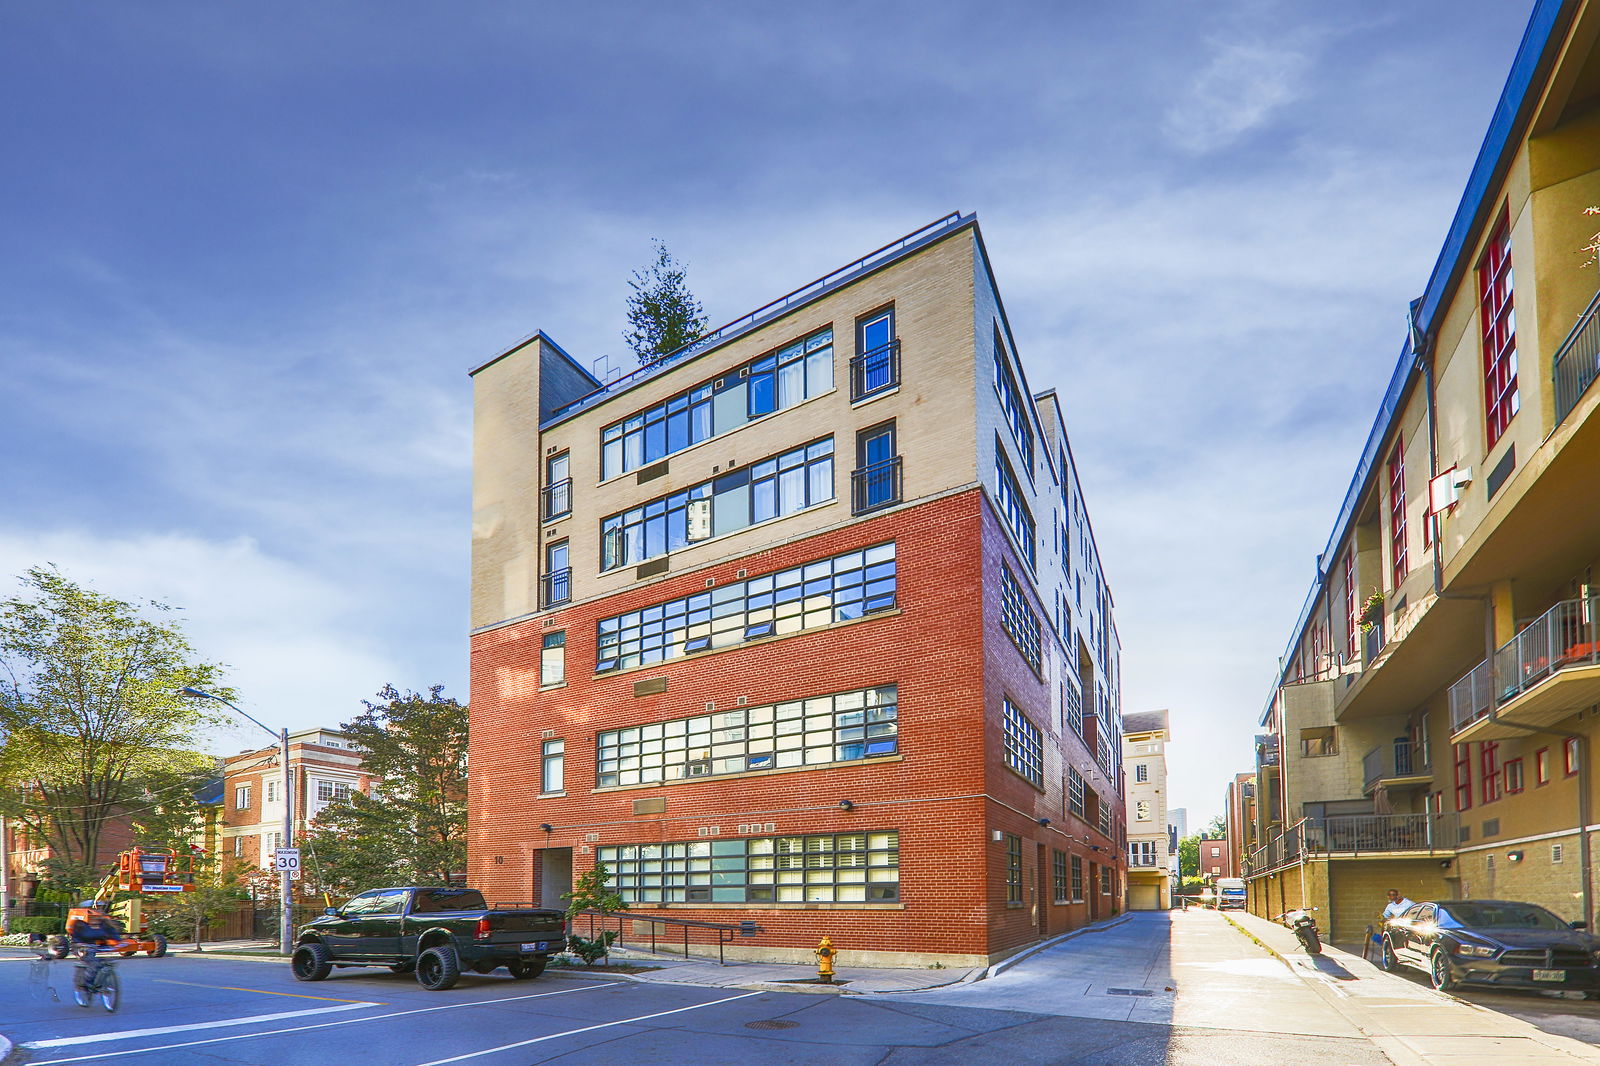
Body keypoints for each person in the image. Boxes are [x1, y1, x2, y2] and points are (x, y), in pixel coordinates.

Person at [67, 901, 125, 991]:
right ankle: (86, 983)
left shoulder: (104, 922)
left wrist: (119, 942)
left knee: (108, 962)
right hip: (81, 947)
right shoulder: (79, 923)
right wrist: (80, 943)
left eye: (101, 908)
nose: (100, 910)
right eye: (97, 908)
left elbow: (112, 933)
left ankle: (101, 981)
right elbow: (81, 935)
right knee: (93, 963)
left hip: (96, 946)